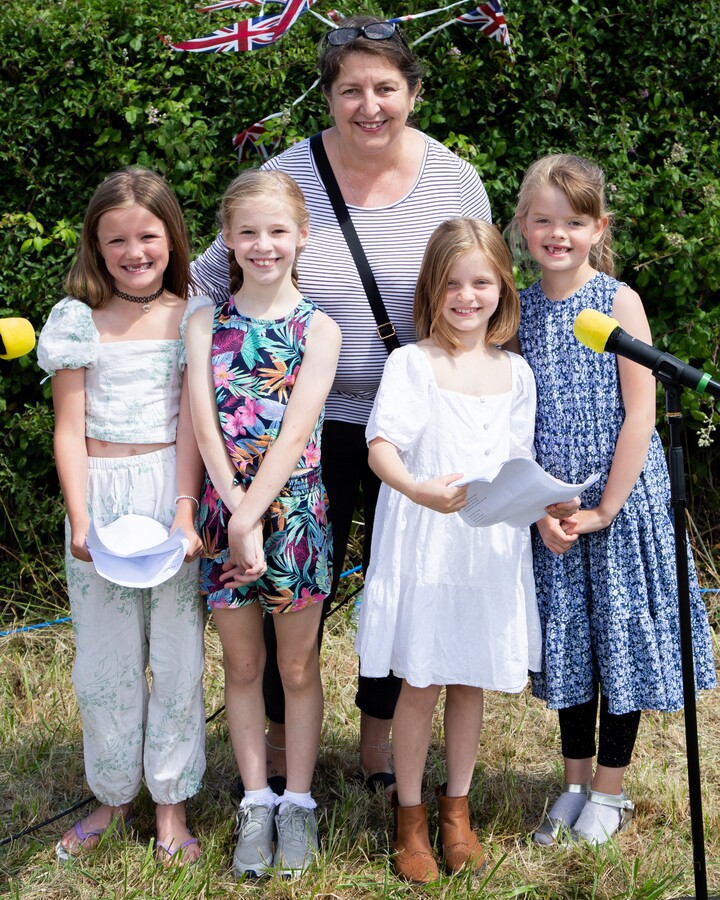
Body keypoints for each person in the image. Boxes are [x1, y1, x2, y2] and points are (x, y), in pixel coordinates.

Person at [190, 14, 493, 796]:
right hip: (304, 429)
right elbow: (208, 281)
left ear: (414, 93)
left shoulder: (456, 180)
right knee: (293, 593)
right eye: (350, 88)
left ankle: (377, 745)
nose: (369, 105)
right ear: (326, 97)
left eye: (386, 87)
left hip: (417, 425)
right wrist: (121, 326)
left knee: (401, 586)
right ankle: (290, 760)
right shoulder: (292, 172)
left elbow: (482, 290)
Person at [511, 153, 717, 846]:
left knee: (620, 644)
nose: (557, 234)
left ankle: (611, 789)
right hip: (557, 508)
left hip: (620, 504)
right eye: (543, 221)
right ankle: (572, 784)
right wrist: (543, 507)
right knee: (572, 645)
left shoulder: (616, 301)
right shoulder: (521, 307)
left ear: (599, 227)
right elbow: (515, 415)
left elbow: (639, 415)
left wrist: (606, 506)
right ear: (522, 226)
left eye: (573, 222)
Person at [354, 218, 541, 882]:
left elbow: (519, 462)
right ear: (433, 289)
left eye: (481, 282)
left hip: (488, 549)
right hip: (428, 540)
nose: (467, 296)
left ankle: (456, 809)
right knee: (423, 678)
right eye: (454, 283)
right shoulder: (413, 363)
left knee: (469, 679)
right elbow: (381, 448)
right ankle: (409, 819)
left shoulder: (516, 372)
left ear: (502, 288)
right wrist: (418, 489)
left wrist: (543, 510)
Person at [37, 168, 206, 865]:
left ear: (170, 235)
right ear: (95, 246)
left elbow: (196, 425)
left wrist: (187, 510)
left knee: (177, 658)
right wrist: (81, 520)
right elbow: (68, 429)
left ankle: (172, 803)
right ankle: (111, 794)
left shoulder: (194, 315)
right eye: (116, 240)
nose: (134, 251)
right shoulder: (76, 319)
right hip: (103, 495)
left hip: (170, 488)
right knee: (105, 661)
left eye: (147, 235)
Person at [185, 170, 341, 878]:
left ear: (302, 237)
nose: (262, 244)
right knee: (243, 666)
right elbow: (206, 427)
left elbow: (296, 430)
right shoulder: (202, 323)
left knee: (297, 667)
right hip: (225, 517)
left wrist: (255, 517)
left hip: (296, 514)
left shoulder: (322, 328)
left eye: (277, 231)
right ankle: (255, 800)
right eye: (247, 231)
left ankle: (298, 804)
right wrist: (236, 519)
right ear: (227, 238)